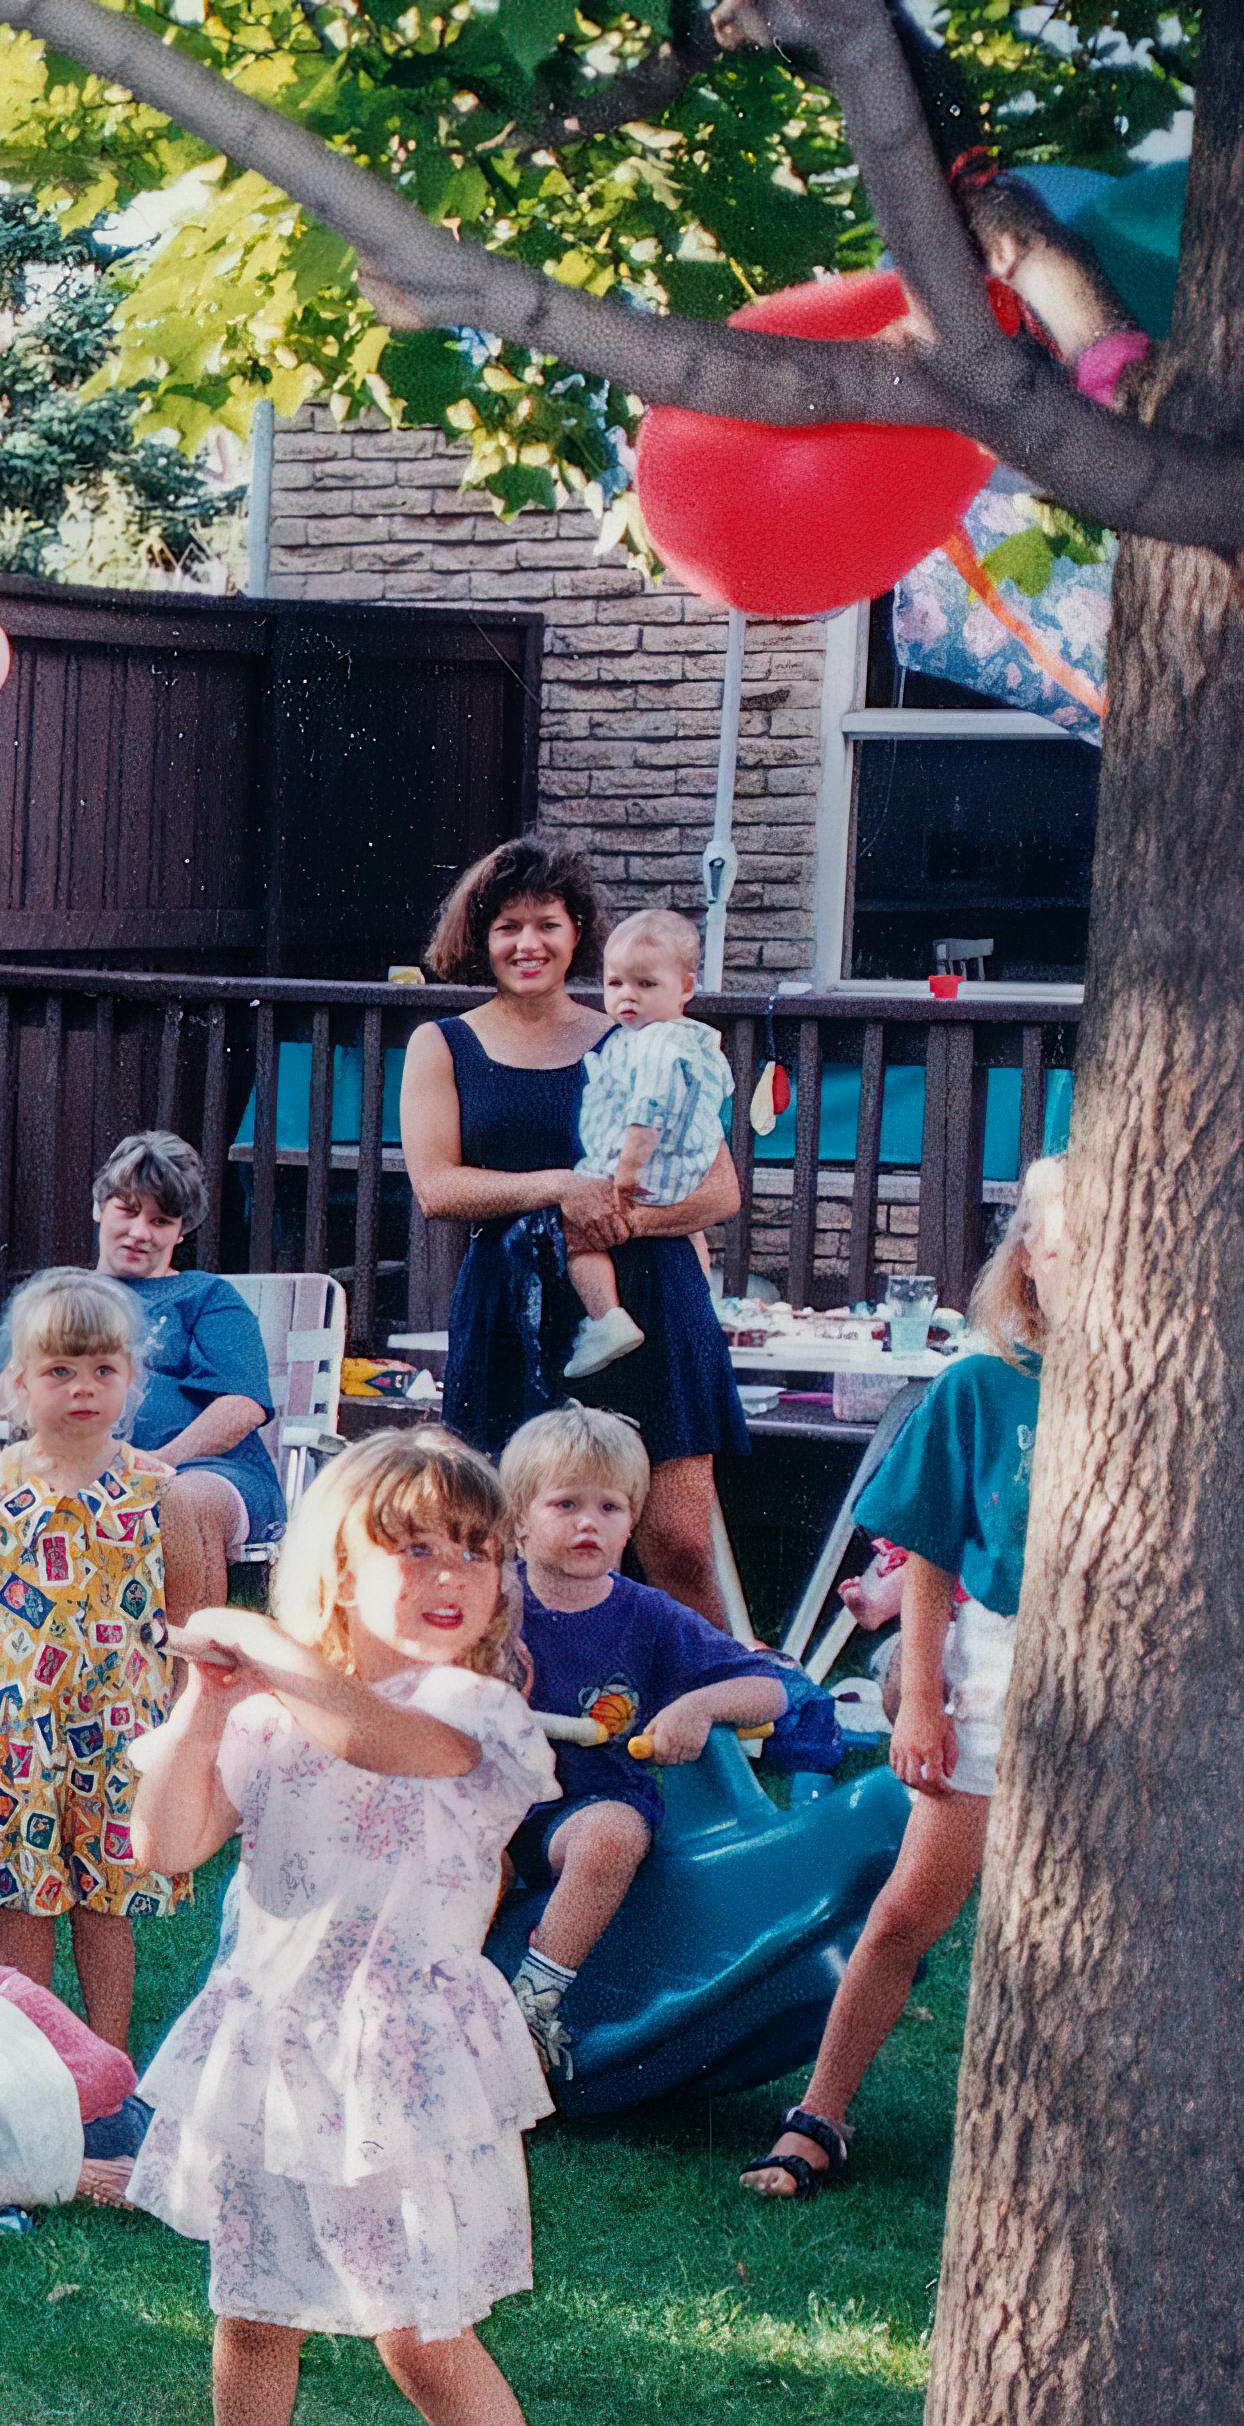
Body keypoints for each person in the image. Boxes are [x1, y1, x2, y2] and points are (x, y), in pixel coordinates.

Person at [120, 1430, 629, 2426]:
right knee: (253, 2305)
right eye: (411, 1547)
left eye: (475, 1549)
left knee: (425, 2332)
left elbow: (375, 1740)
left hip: (402, 2054)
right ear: (337, 1569)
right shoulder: (280, 1711)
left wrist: (262, 1648)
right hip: (275, 2044)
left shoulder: (477, 1710)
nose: (451, 1574)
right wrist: (205, 1704)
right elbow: (167, 1842)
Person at [744, 1155, 1067, 2200]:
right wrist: (919, 1697)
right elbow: (927, 1554)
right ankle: (819, 2115)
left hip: (1118, 1689)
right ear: (1029, 1262)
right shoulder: (985, 1386)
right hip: (997, 1671)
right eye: (1062, 1250)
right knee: (910, 1909)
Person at [400, 836, 751, 1615]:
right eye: (508, 927)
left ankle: (722, 1724)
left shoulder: (635, 1038)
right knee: (507, 1539)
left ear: (577, 932)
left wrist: (626, 1220)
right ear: (479, 939)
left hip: (648, 1300)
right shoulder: (443, 1045)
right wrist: (561, 1186)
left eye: (548, 925)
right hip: (515, 1309)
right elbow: (437, 1186)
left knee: (679, 1544)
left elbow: (719, 1188)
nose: (528, 944)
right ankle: (517, 1721)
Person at [494, 1404, 796, 2067]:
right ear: (518, 1519)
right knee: (467, 1866)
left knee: (612, 1836)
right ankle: (427, 2009)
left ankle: (532, 2009)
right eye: (565, 1503)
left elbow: (770, 1687)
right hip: (485, 1800)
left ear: (632, 1522)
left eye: (610, 1508)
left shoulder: (650, 1615)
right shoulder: (488, 1602)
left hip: (587, 1803)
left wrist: (698, 1706)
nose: (588, 1523)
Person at [0, 1270, 187, 2046]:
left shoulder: (157, 1490)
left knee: (107, 1906)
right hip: (18, 1731)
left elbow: (189, 1603)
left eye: (102, 1370)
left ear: (131, 1382)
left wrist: (164, 1699)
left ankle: (107, 2053)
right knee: (24, 1900)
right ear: (17, 1385)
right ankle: (30, 2053)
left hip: (117, 1735)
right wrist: (20, 1657)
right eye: (60, 1371)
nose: (83, 1388)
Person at [0, 1131, 279, 1616]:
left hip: (204, 1471)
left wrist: (154, 1465)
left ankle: (192, 1682)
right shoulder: (54, 1296)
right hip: (75, 1463)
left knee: (180, 1499)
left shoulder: (207, 1297)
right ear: (99, 1206)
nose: (141, 1232)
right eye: (127, 1210)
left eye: (160, 1220)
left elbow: (241, 1405)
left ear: (180, 1231)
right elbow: (3, 1394)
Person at [550, 911, 736, 1379]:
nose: (627, 996)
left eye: (646, 985)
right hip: (682, 1173)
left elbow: (647, 1111)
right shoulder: (698, 1041)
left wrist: (626, 1171)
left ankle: (605, 1318)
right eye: (615, 983)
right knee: (689, 1231)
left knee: (575, 1234)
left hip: (634, 1168)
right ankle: (701, 1297)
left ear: (686, 988)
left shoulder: (652, 1043)